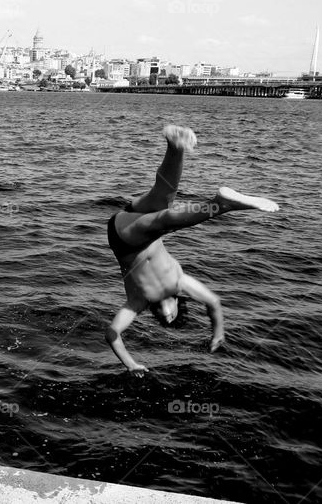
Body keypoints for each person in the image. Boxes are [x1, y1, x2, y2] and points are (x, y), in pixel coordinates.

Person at [105, 125, 279, 374]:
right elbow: (213, 303)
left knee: (164, 220)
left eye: (164, 320)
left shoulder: (138, 302)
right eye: (172, 317)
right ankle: (175, 147)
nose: (167, 317)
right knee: (163, 196)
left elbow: (112, 333)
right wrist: (218, 332)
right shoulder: (180, 282)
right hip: (139, 224)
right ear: (178, 305)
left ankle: (221, 205)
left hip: (125, 238)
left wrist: (131, 364)